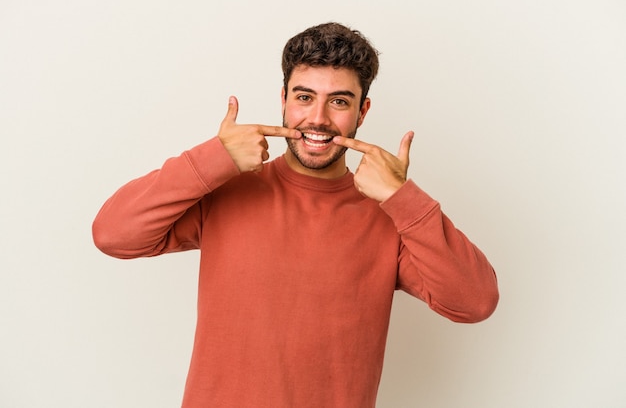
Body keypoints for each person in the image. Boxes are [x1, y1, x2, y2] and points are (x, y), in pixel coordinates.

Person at [92, 22, 499, 408]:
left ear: (363, 112)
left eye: (339, 101)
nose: (318, 118)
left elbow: (475, 301)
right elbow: (113, 234)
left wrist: (401, 198)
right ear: (283, 99)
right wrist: (214, 158)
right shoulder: (226, 190)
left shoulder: (387, 219)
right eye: (304, 97)